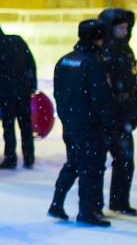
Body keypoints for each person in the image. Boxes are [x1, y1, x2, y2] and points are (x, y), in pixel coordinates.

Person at [48, 19, 116, 227]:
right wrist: (109, 122)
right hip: (89, 124)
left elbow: (58, 92)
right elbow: (101, 98)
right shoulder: (93, 63)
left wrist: (67, 116)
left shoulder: (65, 60)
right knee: (91, 167)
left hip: (71, 123)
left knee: (74, 163)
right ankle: (87, 211)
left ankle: (57, 203)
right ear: (97, 38)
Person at [98, 8, 137, 215]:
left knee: (125, 160)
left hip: (123, 115)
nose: (124, 31)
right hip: (108, 116)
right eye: (120, 28)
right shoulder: (104, 52)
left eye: (126, 27)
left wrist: (134, 111)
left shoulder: (125, 50)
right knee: (96, 163)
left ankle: (119, 201)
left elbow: (133, 84)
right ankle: (93, 205)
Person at [0, 17, 37, 169]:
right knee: (25, 125)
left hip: (6, 92)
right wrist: (32, 84)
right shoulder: (17, 40)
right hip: (23, 90)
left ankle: (10, 158)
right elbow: (30, 62)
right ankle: (29, 157)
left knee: (8, 127)